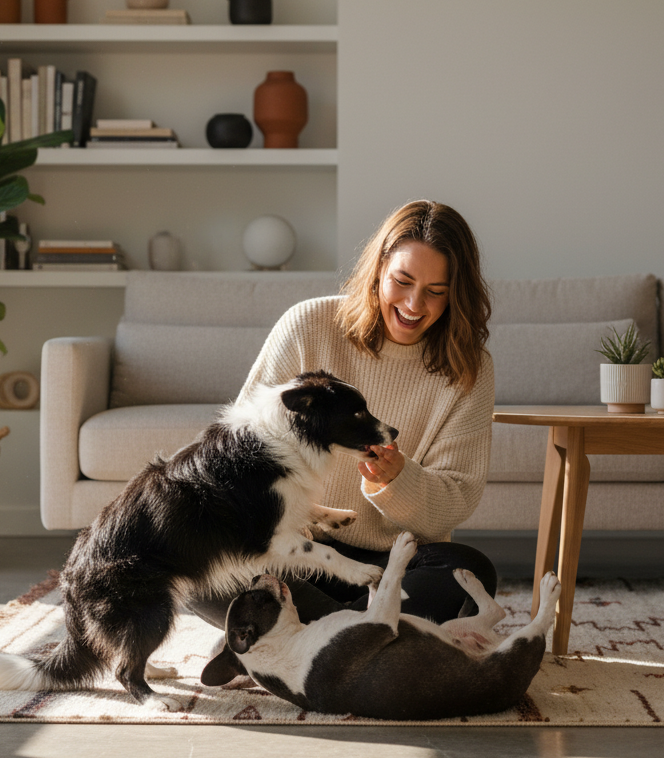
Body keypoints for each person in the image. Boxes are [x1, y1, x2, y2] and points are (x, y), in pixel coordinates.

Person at [191, 199, 497, 628]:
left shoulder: (470, 369)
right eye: (402, 281)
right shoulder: (307, 325)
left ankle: (313, 640)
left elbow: (456, 499)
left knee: (469, 573)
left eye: (436, 292)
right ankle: (367, 640)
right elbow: (239, 456)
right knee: (200, 566)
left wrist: (397, 479)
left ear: (456, 295)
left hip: (394, 563)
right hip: (293, 552)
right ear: (377, 273)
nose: (413, 304)